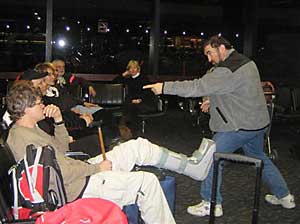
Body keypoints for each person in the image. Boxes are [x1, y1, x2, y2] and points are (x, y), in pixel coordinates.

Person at [6, 80, 216, 224]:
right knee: (147, 182)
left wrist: (59, 121)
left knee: (138, 145)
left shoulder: (31, 127)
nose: (44, 105)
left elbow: (62, 150)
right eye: (39, 103)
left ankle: (192, 167)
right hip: (76, 187)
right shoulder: (24, 140)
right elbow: (59, 175)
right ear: (25, 109)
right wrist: (96, 168)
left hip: (78, 173)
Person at [144, 35, 296, 217]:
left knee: (210, 159)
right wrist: (210, 99)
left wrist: (164, 87)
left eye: (210, 53)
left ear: (221, 48)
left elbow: (198, 86)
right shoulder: (246, 62)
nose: (209, 59)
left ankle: (211, 203)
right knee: (259, 157)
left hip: (238, 126)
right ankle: (285, 196)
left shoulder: (228, 69)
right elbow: (232, 90)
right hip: (257, 124)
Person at [114, 60, 158, 131]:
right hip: (133, 102)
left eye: (135, 68)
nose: (133, 70)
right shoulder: (129, 79)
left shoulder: (144, 78)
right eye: (130, 68)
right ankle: (126, 129)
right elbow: (114, 81)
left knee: (130, 108)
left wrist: (139, 99)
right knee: (128, 106)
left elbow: (148, 92)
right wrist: (124, 74)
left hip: (145, 102)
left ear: (138, 69)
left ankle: (125, 128)